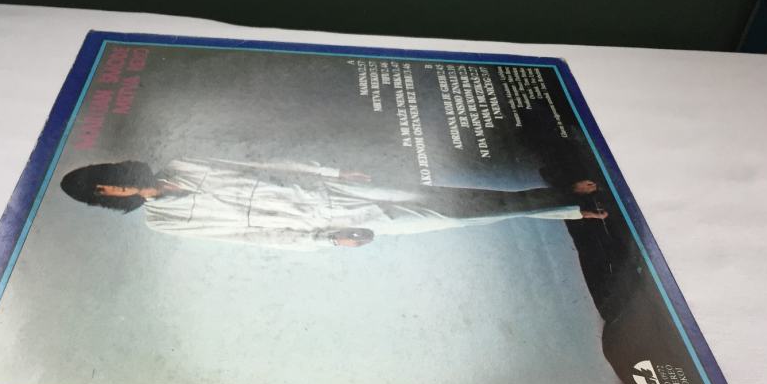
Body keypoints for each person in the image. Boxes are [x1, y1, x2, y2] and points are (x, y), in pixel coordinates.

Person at [60, 157, 607, 251]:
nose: (114, 190)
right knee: (452, 218)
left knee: (455, 197)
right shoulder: (163, 222)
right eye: (102, 195)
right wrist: (325, 240)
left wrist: (331, 172)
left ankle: (566, 199)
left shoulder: (180, 162)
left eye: (106, 181)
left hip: (339, 191)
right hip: (330, 219)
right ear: (106, 202)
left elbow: (263, 164)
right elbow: (253, 237)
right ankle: (568, 206)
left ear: (114, 173)